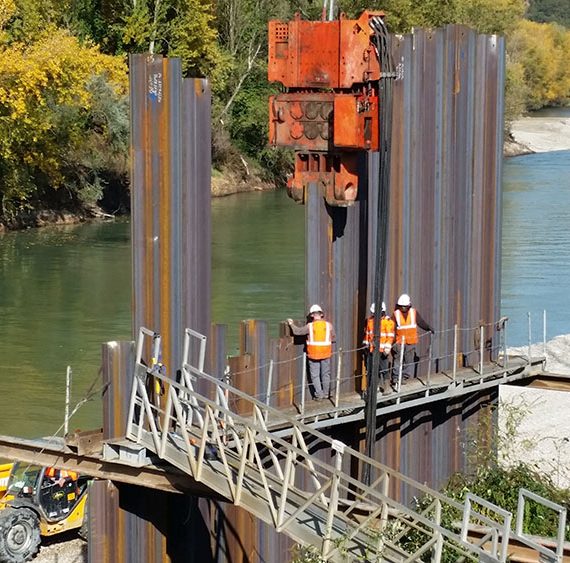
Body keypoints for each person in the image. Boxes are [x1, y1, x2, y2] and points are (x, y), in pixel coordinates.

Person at [287, 304, 336, 401]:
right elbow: (333, 336)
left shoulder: (310, 326)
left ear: (312, 315)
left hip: (314, 354)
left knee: (315, 375)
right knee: (326, 374)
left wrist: (291, 324)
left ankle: (319, 395)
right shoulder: (329, 325)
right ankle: (326, 393)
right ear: (321, 314)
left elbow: (297, 332)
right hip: (326, 353)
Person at [391, 293, 434, 387]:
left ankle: (404, 377)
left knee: (408, 360)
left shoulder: (413, 313)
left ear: (408, 306)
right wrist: (392, 341)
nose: (403, 308)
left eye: (404, 306)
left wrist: (428, 328)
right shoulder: (395, 314)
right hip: (399, 342)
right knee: (397, 360)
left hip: (410, 342)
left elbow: (421, 322)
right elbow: (391, 328)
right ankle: (396, 377)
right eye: (401, 306)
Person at [363, 302, 395, 386]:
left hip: (382, 350)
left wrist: (387, 348)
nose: (373, 314)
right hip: (372, 350)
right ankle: (375, 387)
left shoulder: (387, 322)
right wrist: (366, 345)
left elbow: (390, 336)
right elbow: (367, 334)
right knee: (373, 370)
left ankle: (386, 386)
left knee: (384, 369)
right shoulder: (370, 321)